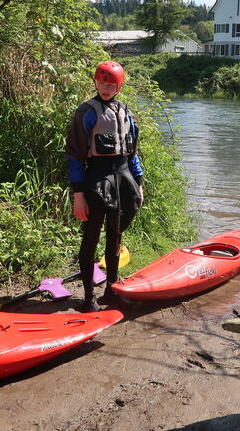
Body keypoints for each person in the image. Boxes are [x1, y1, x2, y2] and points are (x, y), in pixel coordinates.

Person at [66, 61, 144, 312]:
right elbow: (75, 156)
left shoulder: (126, 112)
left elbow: (132, 154)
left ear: (119, 87)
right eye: (101, 83)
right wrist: (79, 195)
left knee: (116, 236)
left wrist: (138, 184)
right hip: (96, 181)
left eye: (110, 85)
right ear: (95, 82)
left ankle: (111, 288)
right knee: (90, 238)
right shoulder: (86, 112)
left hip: (123, 179)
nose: (105, 88)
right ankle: (89, 296)